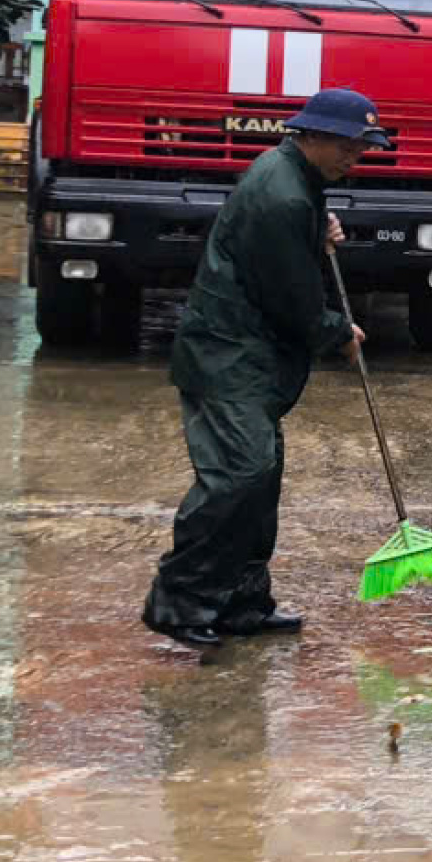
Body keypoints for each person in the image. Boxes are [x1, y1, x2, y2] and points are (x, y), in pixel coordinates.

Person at [140, 87, 380, 650]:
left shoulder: (299, 182)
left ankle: (243, 604)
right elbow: (291, 300)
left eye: (361, 148)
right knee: (238, 476)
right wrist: (338, 332)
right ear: (313, 136)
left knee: (260, 478)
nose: (355, 157)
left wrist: (321, 228)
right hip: (227, 355)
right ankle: (177, 601)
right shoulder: (284, 194)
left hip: (250, 357)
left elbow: (291, 245)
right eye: (347, 145)